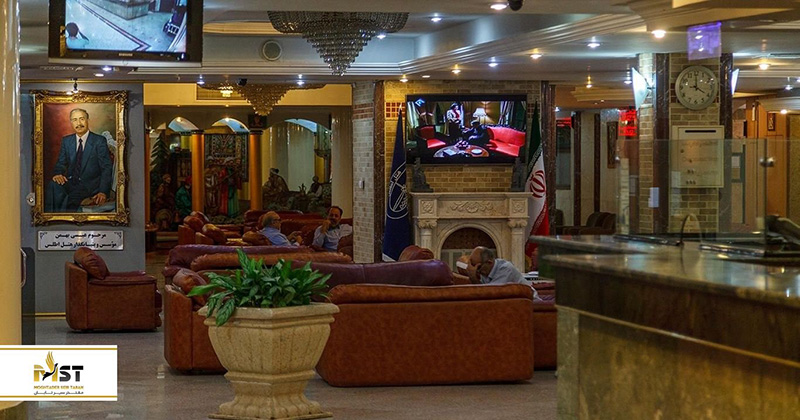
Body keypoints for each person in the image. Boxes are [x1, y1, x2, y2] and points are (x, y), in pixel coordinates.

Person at [46, 108, 113, 212]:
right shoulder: (67, 141)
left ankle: (63, 220)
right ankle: (50, 219)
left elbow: (106, 168)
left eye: (82, 119)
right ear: (71, 122)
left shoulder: (99, 141)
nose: (78, 123)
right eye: (75, 120)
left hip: (90, 185)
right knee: (53, 186)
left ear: (88, 120)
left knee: (71, 198)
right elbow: (61, 163)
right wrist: (58, 174)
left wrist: (103, 192)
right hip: (71, 182)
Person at [468, 246, 539, 300]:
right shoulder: (485, 271)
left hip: (531, 303)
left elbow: (490, 293)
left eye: (478, 267)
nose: (477, 271)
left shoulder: (506, 268)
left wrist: (473, 278)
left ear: (489, 262)